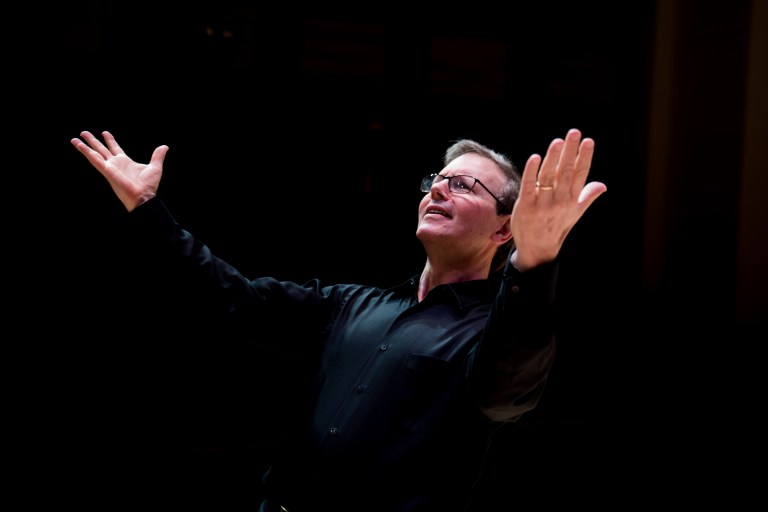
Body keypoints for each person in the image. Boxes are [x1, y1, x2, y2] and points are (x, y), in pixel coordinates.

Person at [70, 128, 606, 512]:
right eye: (437, 180)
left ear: (503, 231)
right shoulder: (353, 305)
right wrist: (146, 207)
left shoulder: (493, 331)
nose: (438, 189)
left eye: (464, 186)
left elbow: (503, 393)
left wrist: (534, 265)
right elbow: (227, 297)